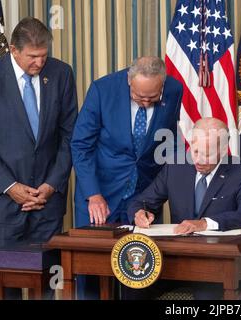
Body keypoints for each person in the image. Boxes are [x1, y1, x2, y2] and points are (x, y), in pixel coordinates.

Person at [71, 56, 182, 299]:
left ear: (162, 85)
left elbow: (169, 139)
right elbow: (81, 145)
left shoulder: (175, 89)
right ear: (129, 81)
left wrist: (157, 193)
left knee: (140, 272)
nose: (144, 103)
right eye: (139, 96)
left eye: (152, 98)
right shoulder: (102, 90)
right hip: (100, 195)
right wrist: (93, 194)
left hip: (143, 196)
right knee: (92, 276)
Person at [0, 17, 78, 299]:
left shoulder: (61, 73)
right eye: (32, 57)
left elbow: (70, 136)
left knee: (47, 281)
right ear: (13, 50)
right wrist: (11, 187)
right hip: (4, 204)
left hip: (47, 202)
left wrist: (51, 185)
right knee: (9, 282)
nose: (39, 62)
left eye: (44, 55)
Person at [127, 117, 241, 299]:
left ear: (223, 150)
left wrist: (205, 224)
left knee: (206, 296)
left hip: (218, 265)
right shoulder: (177, 166)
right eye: (195, 150)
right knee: (134, 284)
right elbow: (142, 202)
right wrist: (139, 213)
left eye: (207, 154)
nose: (198, 159)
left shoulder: (240, 171)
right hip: (175, 263)